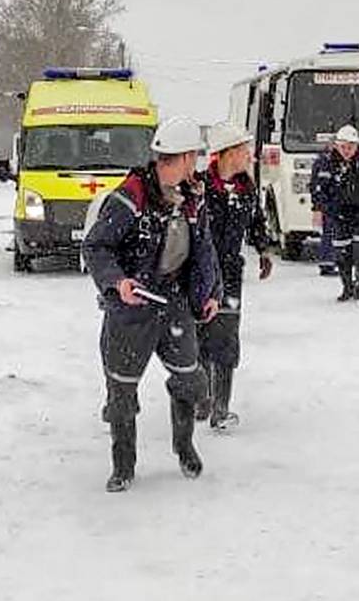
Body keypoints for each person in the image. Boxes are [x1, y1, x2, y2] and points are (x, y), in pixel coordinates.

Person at [82, 117, 222, 492]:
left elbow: (204, 250)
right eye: (193, 157)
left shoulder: (192, 198)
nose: (197, 166)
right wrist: (117, 281)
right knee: (122, 390)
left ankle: (184, 445)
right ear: (179, 158)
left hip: (174, 304)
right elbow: (96, 247)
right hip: (133, 309)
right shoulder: (130, 198)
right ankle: (123, 465)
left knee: (190, 379)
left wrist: (211, 293)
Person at [199, 122, 276, 431]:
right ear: (227, 153)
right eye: (245, 150)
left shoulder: (246, 187)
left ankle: (221, 409)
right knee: (200, 337)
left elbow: (256, 221)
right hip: (200, 275)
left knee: (227, 340)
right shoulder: (200, 187)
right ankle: (201, 399)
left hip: (230, 274)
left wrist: (264, 249)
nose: (250, 156)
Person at [309, 125, 359, 302]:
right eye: (343, 147)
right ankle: (347, 287)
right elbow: (317, 188)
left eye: (350, 147)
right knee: (341, 253)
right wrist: (318, 209)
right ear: (336, 145)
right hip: (338, 214)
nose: (346, 151)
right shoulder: (325, 161)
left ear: (356, 146)